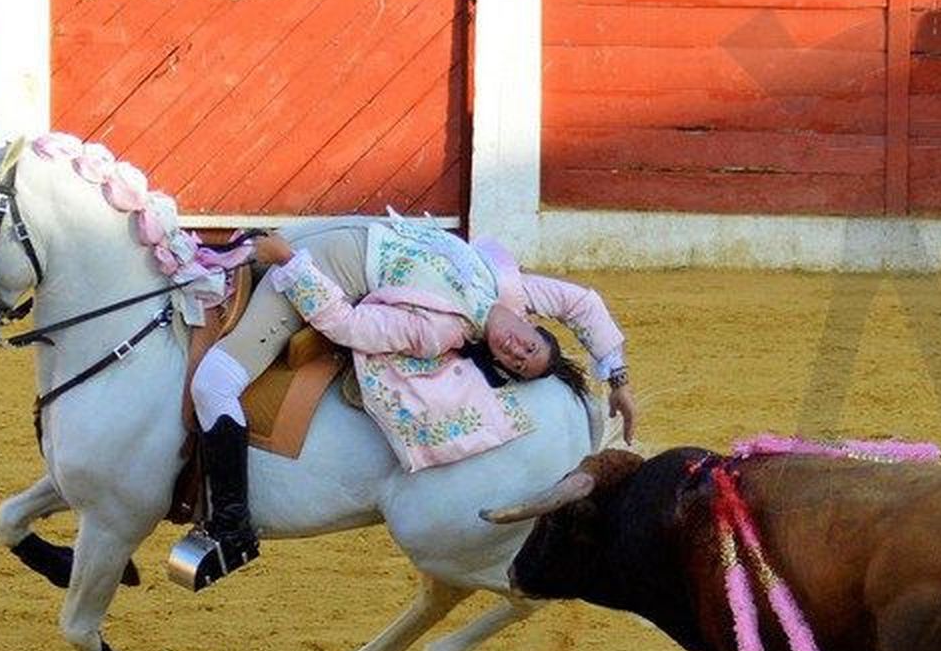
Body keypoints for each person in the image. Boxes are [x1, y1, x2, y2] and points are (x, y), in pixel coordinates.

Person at [179, 214, 637, 587]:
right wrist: (617, 379)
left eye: (516, 366)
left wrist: (289, 263)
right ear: (533, 327)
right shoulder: (503, 285)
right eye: (530, 348)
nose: (517, 352)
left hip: (312, 267)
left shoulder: (439, 331)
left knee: (213, 383)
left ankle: (232, 524)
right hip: (329, 231)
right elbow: (582, 305)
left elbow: (349, 326)